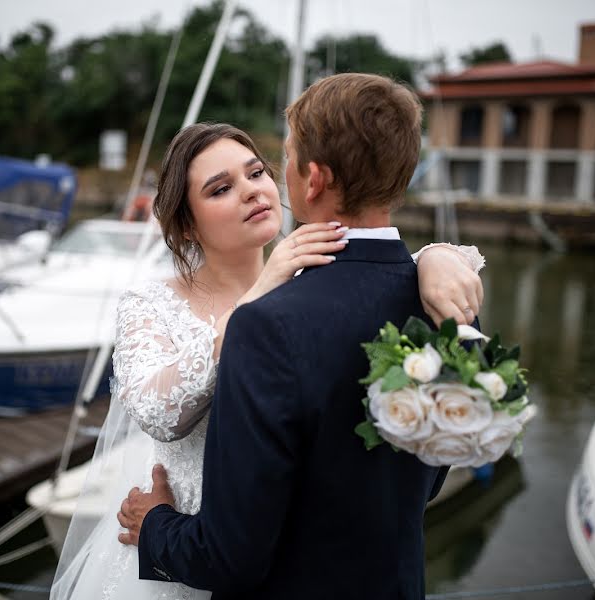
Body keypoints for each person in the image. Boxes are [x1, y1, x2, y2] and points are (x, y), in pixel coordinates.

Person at [52, 78, 485, 600]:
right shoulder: (154, 306)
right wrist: (255, 294)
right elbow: (158, 415)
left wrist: (440, 256)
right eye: (220, 188)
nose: (253, 189)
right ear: (186, 225)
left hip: (259, 561)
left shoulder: (319, 285)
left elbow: (370, 281)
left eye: (257, 171)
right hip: (186, 558)